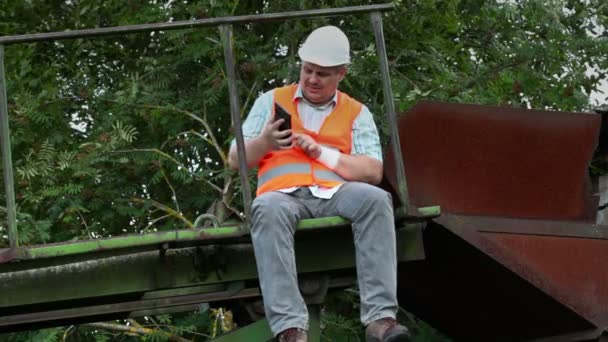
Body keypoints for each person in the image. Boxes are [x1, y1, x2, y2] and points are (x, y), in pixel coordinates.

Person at [228, 25, 410, 342]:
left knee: (376, 200)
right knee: (266, 208)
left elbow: (372, 171)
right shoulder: (270, 101)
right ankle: (289, 329)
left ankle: (380, 320)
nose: (312, 79)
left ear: (341, 73)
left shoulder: (357, 113)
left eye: (322, 74)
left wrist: (324, 154)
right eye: (307, 70)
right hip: (282, 196)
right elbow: (235, 157)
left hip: (334, 194)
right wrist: (266, 141)